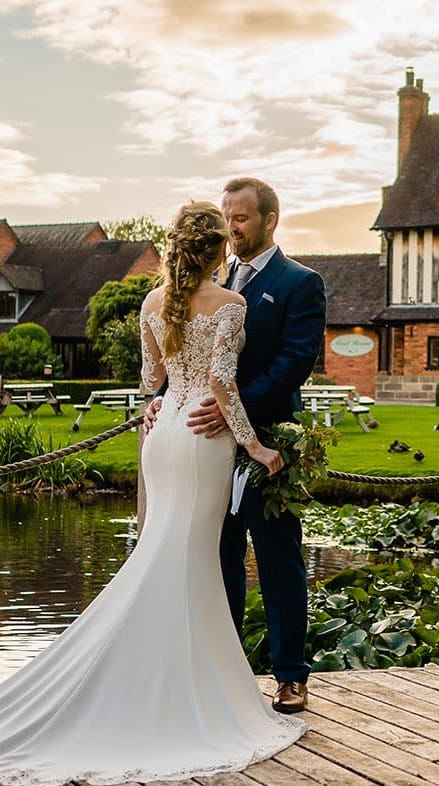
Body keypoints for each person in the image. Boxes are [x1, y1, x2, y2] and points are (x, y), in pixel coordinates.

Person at [0, 201, 304, 786]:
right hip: (201, 442)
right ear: (216, 249)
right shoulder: (230, 305)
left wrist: (159, 406)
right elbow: (220, 388)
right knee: (189, 563)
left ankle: (161, 680)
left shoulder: (151, 302)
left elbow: (149, 385)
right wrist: (261, 450)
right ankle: (179, 692)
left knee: (167, 558)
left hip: (163, 438)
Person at [147, 178, 327, 714]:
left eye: (241, 217)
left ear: (270, 219)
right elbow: (181, 351)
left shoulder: (300, 283)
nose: (231, 227)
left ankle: (291, 676)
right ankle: (223, 676)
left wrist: (231, 408)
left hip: (263, 440)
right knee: (214, 561)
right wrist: (162, 398)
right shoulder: (207, 279)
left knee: (278, 561)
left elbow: (295, 363)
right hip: (201, 446)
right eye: (226, 217)